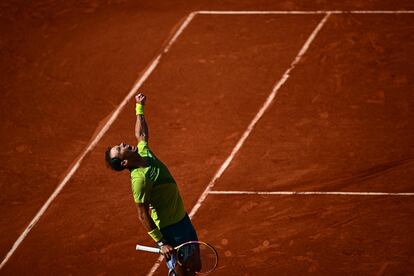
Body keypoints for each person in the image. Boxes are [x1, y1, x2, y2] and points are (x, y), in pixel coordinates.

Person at [105, 93, 199, 275]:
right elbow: (142, 214)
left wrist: (139, 108)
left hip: (182, 218)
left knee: (196, 266)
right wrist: (162, 242)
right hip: (170, 228)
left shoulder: (143, 153)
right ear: (124, 163)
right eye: (120, 149)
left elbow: (141, 134)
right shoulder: (139, 180)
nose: (123, 143)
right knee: (184, 271)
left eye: (119, 145)